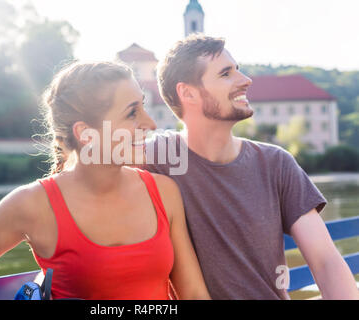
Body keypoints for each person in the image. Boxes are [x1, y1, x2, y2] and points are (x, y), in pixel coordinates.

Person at [0, 61, 211, 300]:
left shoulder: (164, 192)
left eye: (143, 107)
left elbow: (194, 294)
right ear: (86, 134)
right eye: (132, 112)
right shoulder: (33, 204)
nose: (150, 124)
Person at [144, 34, 359, 300]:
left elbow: (326, 262)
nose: (246, 80)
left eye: (238, 69)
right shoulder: (153, 158)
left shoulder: (276, 163)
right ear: (188, 93)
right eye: (226, 74)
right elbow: (86, 162)